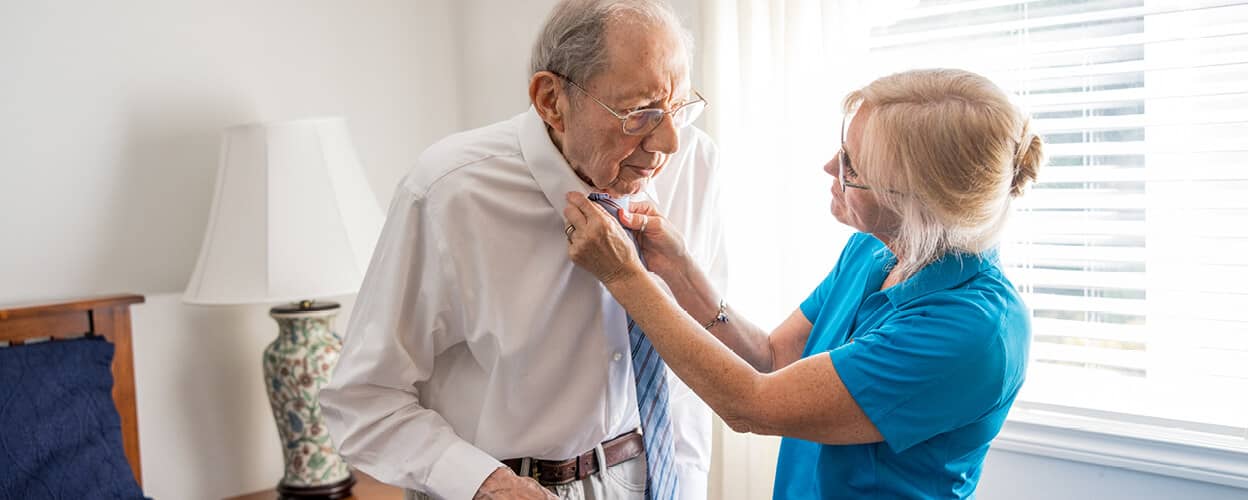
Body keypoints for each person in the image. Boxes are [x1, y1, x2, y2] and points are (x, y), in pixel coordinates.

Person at [562, 68, 1044, 499]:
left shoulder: (971, 334)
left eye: (854, 167)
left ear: (919, 205)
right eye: (842, 149)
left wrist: (625, 276)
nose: (831, 169)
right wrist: (679, 269)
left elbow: (750, 405)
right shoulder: (876, 251)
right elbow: (773, 357)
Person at [319, 1, 727, 499]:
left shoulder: (695, 165)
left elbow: (683, 376)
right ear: (551, 100)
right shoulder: (449, 191)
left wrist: (686, 488)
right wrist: (482, 483)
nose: (668, 142)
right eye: (640, 114)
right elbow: (362, 399)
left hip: (644, 477)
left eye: (680, 107)